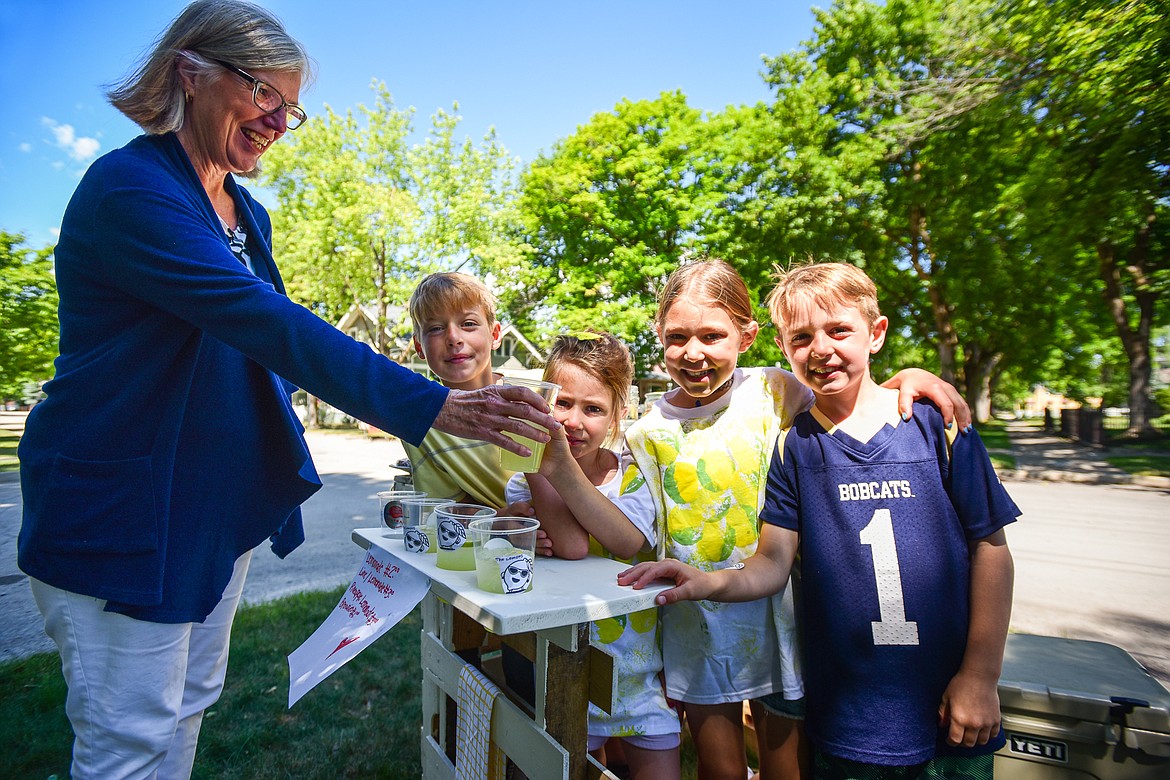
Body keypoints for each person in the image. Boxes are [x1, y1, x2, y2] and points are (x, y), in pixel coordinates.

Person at [15, 3, 556, 778]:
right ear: (189, 72)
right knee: (127, 739)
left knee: (188, 706)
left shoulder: (245, 210)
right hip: (126, 512)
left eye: (289, 108)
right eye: (263, 94)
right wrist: (427, 402)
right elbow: (261, 320)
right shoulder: (130, 189)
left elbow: (259, 346)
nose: (277, 120)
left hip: (206, 510)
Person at [539, 259, 971, 780]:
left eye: (712, 336)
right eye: (677, 337)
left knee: (786, 767)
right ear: (659, 336)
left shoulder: (775, 390)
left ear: (746, 336)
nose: (693, 353)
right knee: (720, 769)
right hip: (696, 625)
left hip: (783, 619)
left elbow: (852, 396)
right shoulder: (645, 432)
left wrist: (912, 376)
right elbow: (635, 528)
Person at [504, 332, 680, 779]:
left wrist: (555, 466)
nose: (573, 421)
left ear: (619, 415)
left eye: (594, 408)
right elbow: (571, 546)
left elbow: (625, 541)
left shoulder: (631, 476)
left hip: (639, 668)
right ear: (542, 402)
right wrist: (514, 519)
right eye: (561, 403)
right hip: (567, 670)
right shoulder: (526, 482)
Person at [402, 271, 515, 507]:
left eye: (468, 324)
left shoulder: (537, 390)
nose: (454, 338)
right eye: (435, 328)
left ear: (495, 335)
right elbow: (446, 507)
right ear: (419, 346)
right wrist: (498, 522)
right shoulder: (422, 423)